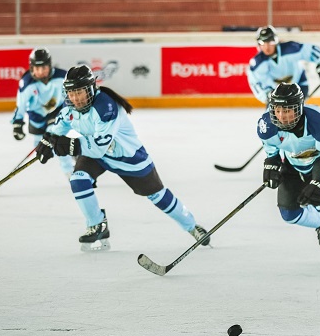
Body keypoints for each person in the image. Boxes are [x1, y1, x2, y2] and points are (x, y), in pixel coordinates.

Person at [38, 64, 210, 251]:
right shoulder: (69, 107)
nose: (75, 98)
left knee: (157, 195)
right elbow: (58, 130)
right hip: (97, 155)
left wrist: (69, 145)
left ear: (91, 89)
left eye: (79, 92)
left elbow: (97, 147)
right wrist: (48, 141)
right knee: (78, 179)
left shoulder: (106, 107)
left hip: (128, 158)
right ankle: (97, 225)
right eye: (71, 93)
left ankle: (192, 226)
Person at [257, 83, 320, 263]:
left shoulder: (319, 125)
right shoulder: (266, 125)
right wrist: (272, 161)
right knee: (288, 214)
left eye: (288, 110)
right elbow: (270, 145)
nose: (282, 116)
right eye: (277, 110)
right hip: (293, 163)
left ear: (300, 108)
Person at [12, 49, 74, 178]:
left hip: (57, 113)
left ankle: (70, 172)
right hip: (36, 116)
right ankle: (72, 151)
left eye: (44, 68)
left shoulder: (62, 77)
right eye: (37, 68)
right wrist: (17, 124)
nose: (40, 72)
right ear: (31, 67)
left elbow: (73, 96)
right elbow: (21, 105)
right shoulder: (27, 82)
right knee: (39, 146)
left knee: (56, 140)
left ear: (50, 65)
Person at [246, 25, 320, 105]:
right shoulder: (258, 63)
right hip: (277, 92)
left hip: (300, 85)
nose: (267, 47)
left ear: (276, 41)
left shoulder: (290, 48)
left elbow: (310, 50)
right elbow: (255, 83)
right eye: (263, 43)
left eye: (270, 42)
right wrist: (267, 96)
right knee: (273, 117)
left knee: (297, 115)